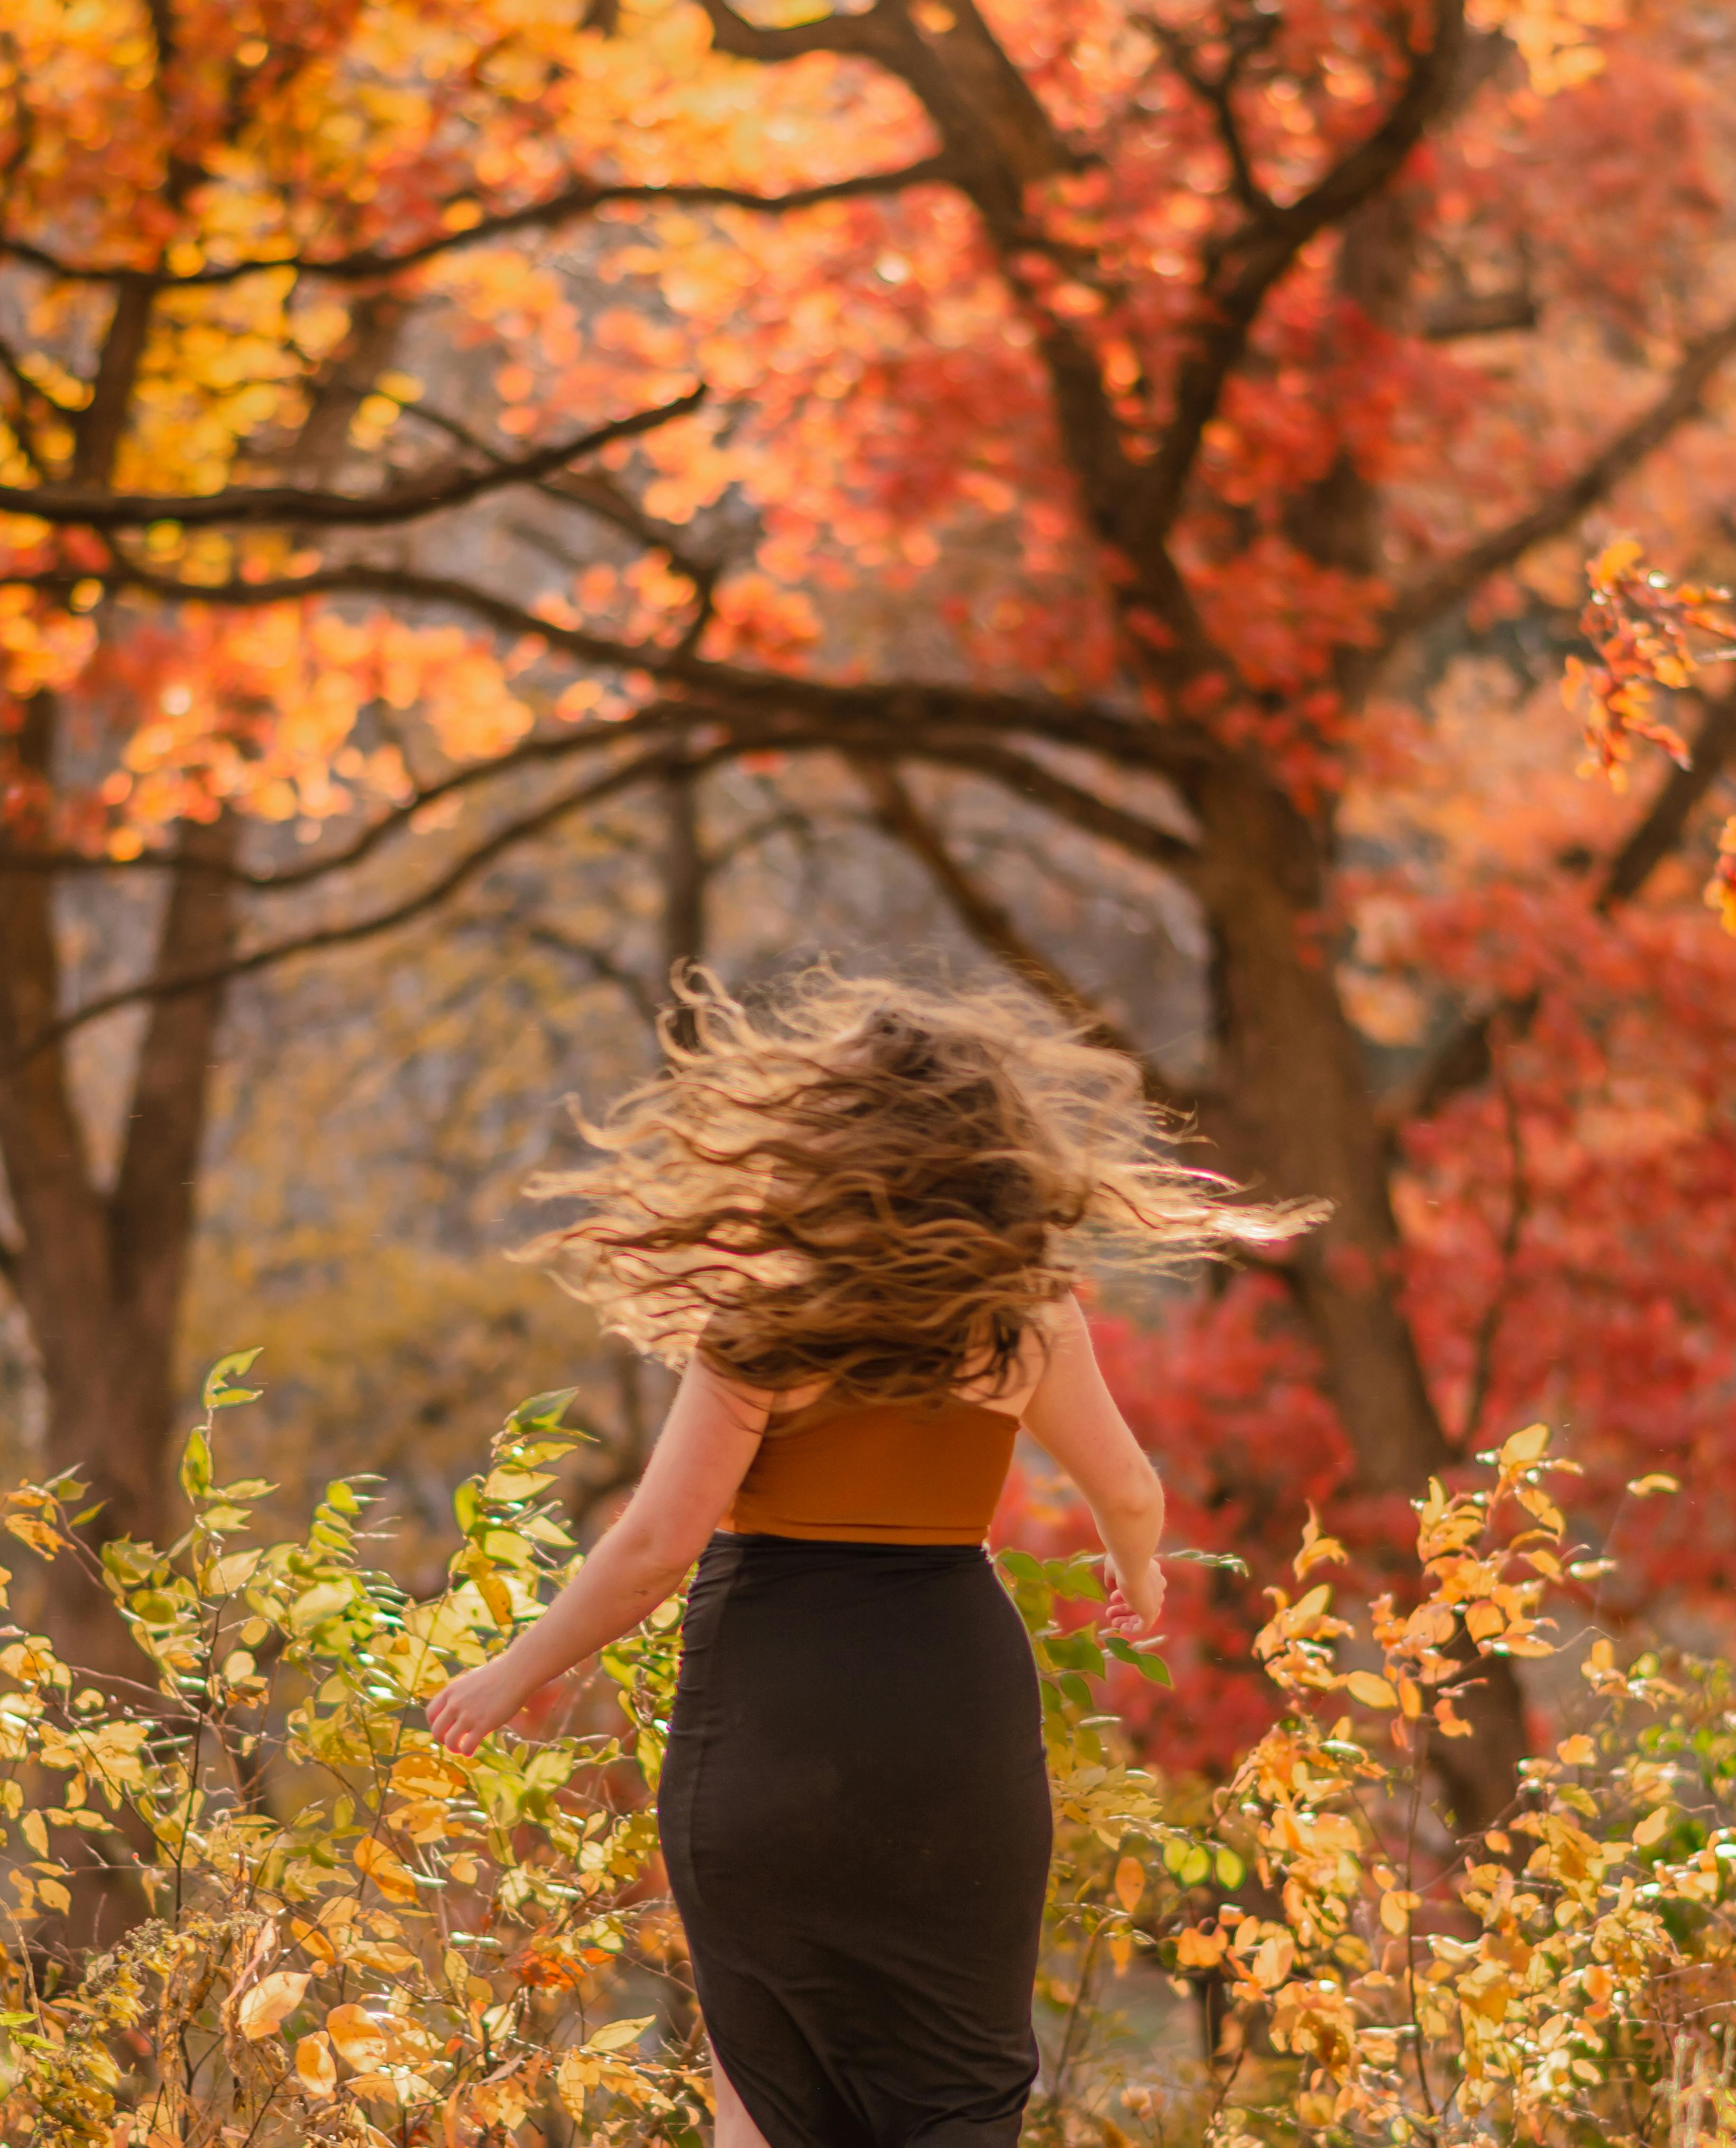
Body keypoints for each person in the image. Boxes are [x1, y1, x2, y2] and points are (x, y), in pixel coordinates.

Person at [428, 972, 1312, 2148]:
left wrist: (513, 1672)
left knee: (767, 2081)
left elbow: (653, 1548)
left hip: (770, 1717)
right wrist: (1137, 1575)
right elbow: (1131, 1492)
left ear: (829, 1141)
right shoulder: (1024, 1315)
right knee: (956, 2088)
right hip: (952, 1717)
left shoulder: (763, 1319)